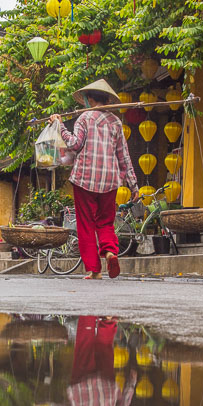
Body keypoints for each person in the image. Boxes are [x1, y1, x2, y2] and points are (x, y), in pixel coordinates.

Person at [50, 79, 138, 280]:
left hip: (84, 178)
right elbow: (123, 155)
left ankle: (95, 270)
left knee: (86, 224)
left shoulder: (84, 118)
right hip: (110, 180)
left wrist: (59, 125)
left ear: (90, 99)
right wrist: (134, 185)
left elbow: (74, 144)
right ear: (107, 100)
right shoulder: (116, 122)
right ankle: (110, 252)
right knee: (106, 222)